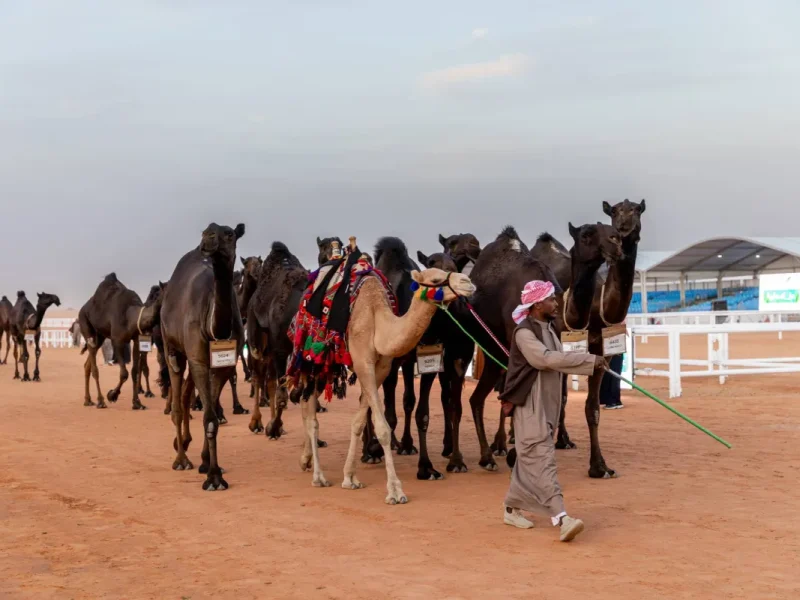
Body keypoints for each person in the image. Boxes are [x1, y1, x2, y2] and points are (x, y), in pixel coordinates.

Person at [500, 280, 606, 542]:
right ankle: (561, 517)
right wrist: (589, 361)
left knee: (530, 458)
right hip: (531, 405)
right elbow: (545, 360)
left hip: (548, 405)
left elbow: (556, 361)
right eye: (551, 299)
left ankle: (511, 508)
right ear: (537, 304)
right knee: (542, 458)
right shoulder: (524, 333)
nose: (556, 303)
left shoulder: (548, 328)